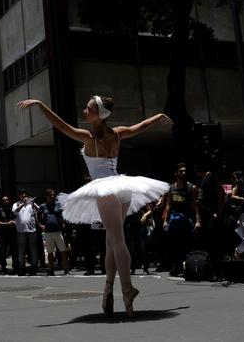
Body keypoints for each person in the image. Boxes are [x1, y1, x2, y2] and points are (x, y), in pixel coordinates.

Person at [18, 96, 170, 317]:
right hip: (123, 188)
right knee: (111, 241)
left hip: (105, 189)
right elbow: (141, 126)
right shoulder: (117, 133)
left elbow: (60, 125)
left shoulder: (88, 137)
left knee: (117, 240)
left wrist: (41, 106)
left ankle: (127, 290)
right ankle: (108, 289)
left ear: (99, 114)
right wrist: (158, 116)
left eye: (89, 108)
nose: (85, 110)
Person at [162, 163, 198, 276]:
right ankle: (175, 266)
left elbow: (196, 206)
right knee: (173, 244)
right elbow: (168, 205)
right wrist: (165, 220)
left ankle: (186, 267)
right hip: (174, 220)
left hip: (186, 220)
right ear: (176, 173)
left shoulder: (192, 188)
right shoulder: (171, 188)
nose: (183, 173)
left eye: (185, 171)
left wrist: (198, 221)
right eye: (181, 171)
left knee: (186, 245)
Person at [39, 189, 70, 276]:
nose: (52, 196)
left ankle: (66, 270)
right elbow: (37, 216)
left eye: (53, 195)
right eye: (50, 195)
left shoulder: (58, 205)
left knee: (63, 251)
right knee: (50, 252)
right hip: (48, 232)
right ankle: (51, 269)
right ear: (46, 196)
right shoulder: (43, 206)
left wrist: (64, 222)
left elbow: (64, 214)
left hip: (58, 231)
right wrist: (41, 225)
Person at [12, 189, 40, 276]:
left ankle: (33, 269)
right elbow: (14, 211)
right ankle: (21, 269)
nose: (24, 197)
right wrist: (23, 204)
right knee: (21, 252)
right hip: (21, 232)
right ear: (19, 196)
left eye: (25, 196)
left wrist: (33, 203)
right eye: (22, 196)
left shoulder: (31, 204)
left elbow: (38, 210)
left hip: (32, 231)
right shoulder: (16, 204)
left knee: (33, 252)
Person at [0, 195, 17, 274]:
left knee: (14, 251)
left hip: (12, 233)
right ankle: (3, 268)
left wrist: (13, 222)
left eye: (7, 200)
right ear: (2, 202)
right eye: (4, 200)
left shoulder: (12, 210)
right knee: (3, 251)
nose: (6, 201)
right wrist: (7, 223)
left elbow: (16, 218)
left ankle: (15, 267)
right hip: (3, 234)